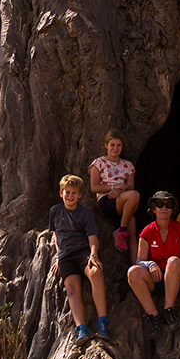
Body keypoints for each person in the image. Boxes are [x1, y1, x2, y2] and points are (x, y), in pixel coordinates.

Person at [49, 174, 110, 342]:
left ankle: (103, 322)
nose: (70, 196)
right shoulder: (55, 211)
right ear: (61, 193)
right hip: (65, 256)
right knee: (71, 289)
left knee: (96, 272)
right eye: (67, 192)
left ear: (80, 195)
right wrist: (57, 256)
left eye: (74, 193)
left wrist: (93, 254)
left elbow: (92, 238)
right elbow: (56, 235)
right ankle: (81, 328)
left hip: (83, 252)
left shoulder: (85, 214)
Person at [126, 190, 180, 329]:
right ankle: (153, 315)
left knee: (173, 261)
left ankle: (168, 310)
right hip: (159, 277)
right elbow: (139, 260)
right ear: (153, 209)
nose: (164, 208)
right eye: (159, 204)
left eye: (168, 205)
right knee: (133, 272)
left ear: (173, 210)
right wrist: (150, 263)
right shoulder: (147, 231)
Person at [89, 130, 141, 250]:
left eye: (119, 145)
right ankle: (121, 231)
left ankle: (136, 267)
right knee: (134, 195)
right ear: (106, 145)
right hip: (108, 200)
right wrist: (114, 188)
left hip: (124, 202)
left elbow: (130, 187)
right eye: (112, 145)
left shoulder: (128, 165)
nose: (115, 148)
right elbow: (94, 187)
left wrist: (120, 190)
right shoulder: (99, 163)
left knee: (132, 233)